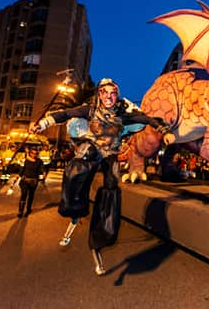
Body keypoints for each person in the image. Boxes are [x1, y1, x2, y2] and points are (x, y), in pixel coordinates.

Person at [30, 78, 175, 276]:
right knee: (82, 160)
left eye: (113, 93)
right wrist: (43, 124)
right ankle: (75, 207)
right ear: (99, 95)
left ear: (117, 95)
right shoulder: (89, 111)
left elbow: (147, 119)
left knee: (111, 188)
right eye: (105, 93)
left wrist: (164, 131)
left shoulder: (123, 116)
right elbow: (64, 114)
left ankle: (101, 236)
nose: (109, 97)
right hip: (92, 149)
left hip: (110, 155)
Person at [15, 147, 46, 217]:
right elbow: (22, 169)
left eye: (35, 153)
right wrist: (17, 177)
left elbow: (42, 168)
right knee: (24, 194)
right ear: (30, 153)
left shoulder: (39, 161)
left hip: (34, 181)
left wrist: (44, 172)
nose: (34, 155)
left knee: (31, 196)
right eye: (32, 153)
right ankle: (20, 211)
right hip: (25, 180)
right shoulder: (26, 160)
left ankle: (28, 209)